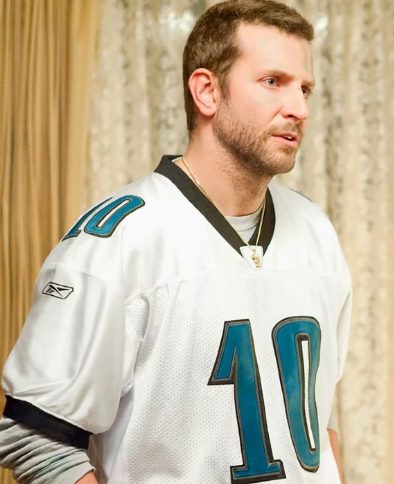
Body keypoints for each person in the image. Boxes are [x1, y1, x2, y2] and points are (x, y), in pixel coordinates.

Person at [0, 1, 351, 482]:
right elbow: (36, 437)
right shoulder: (117, 241)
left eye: (304, 88)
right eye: (273, 81)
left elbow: (318, 417)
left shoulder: (316, 231)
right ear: (207, 91)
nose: (300, 109)